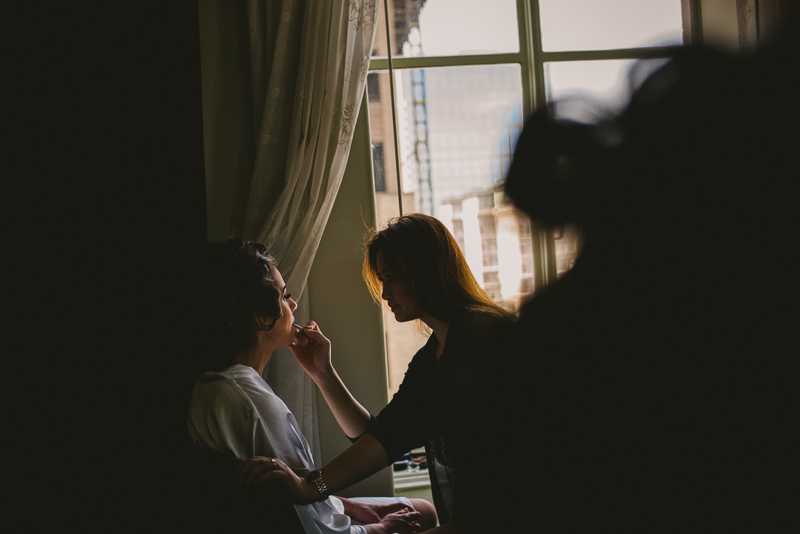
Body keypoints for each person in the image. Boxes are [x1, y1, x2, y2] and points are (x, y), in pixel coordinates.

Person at [234, 214, 511, 532]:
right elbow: (379, 434)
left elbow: (391, 438)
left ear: (422, 272)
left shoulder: (478, 338)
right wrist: (322, 372)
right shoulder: (430, 357)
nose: (384, 293)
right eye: (382, 279)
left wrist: (310, 488)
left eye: (390, 277)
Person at [188, 239, 431, 534]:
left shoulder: (213, 386)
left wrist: (322, 371)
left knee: (424, 510)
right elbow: (301, 506)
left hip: (316, 511)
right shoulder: (253, 404)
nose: (293, 304)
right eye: (284, 296)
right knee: (425, 515)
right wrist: (379, 529)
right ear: (261, 317)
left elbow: (301, 488)